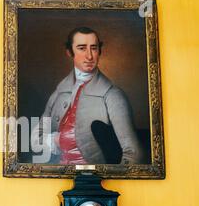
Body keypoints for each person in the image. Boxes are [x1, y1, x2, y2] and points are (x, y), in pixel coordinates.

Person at [31, 27, 144, 165]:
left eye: (94, 48)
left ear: (99, 51)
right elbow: (36, 140)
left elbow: (133, 154)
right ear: (69, 52)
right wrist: (58, 140)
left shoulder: (113, 96)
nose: (89, 56)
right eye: (82, 48)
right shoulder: (59, 93)